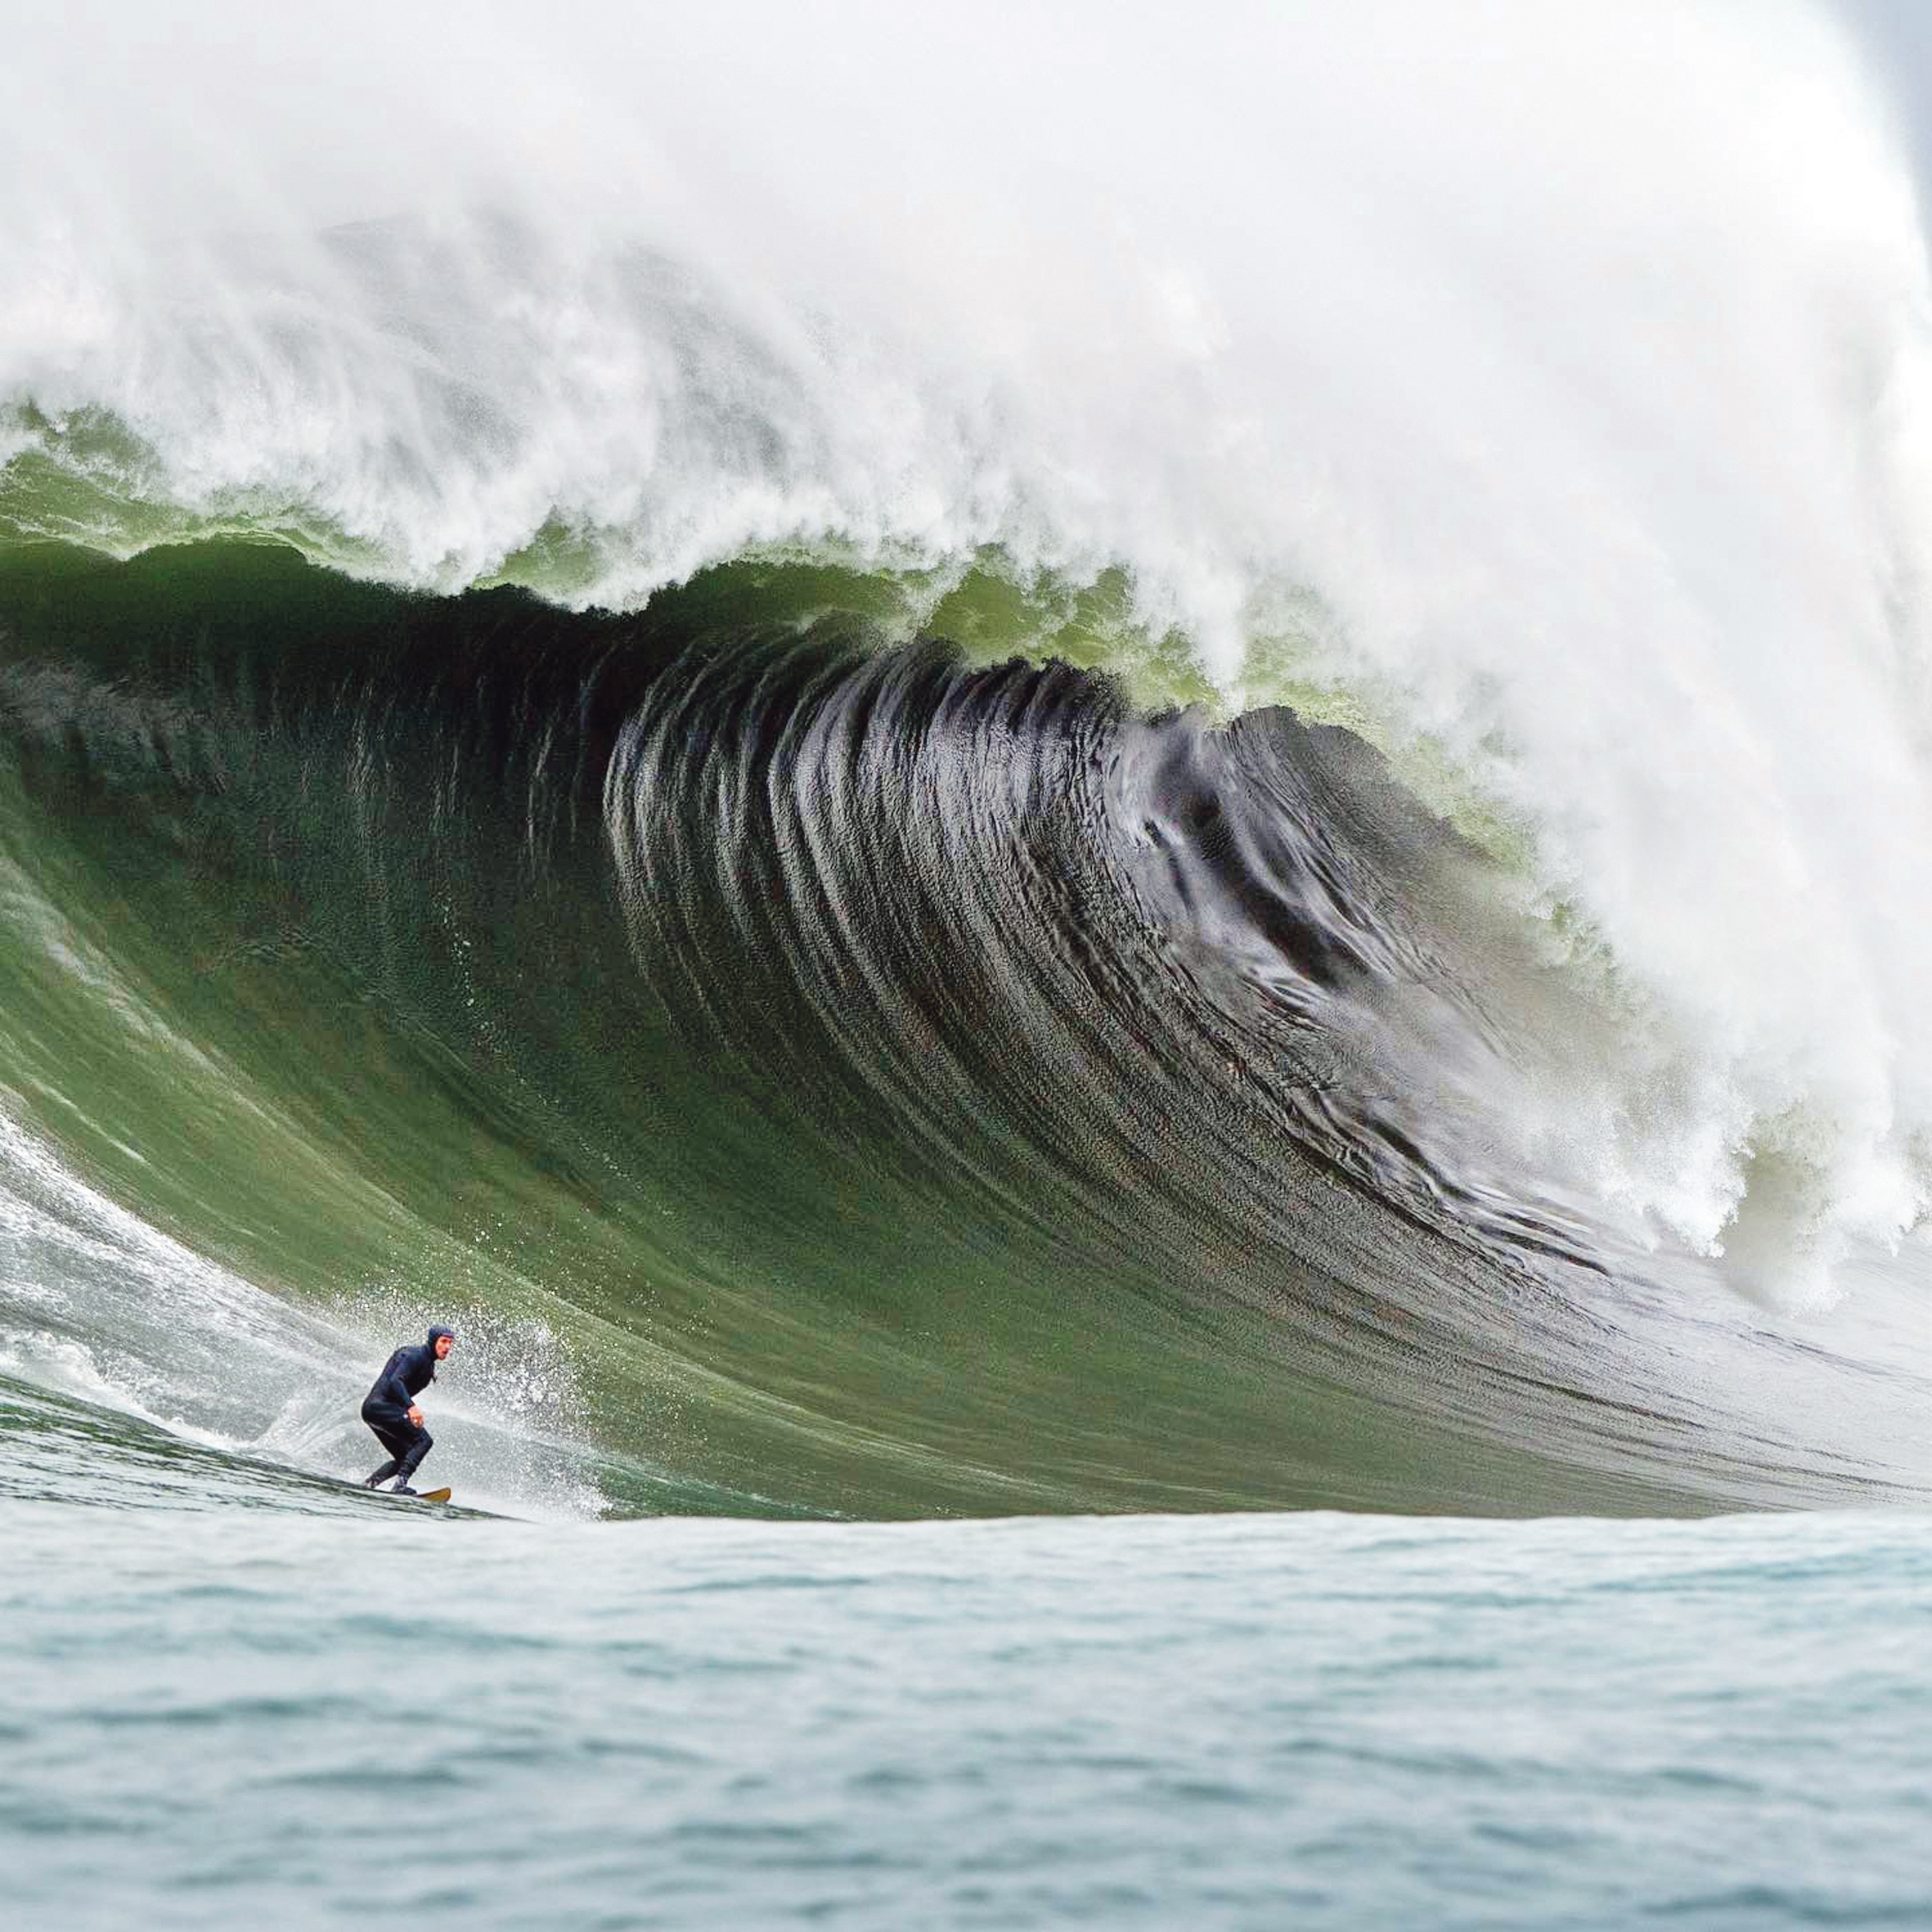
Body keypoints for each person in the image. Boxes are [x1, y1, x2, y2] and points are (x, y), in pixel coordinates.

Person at [361, 1325, 456, 1494]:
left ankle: (370, 1484)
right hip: (380, 1407)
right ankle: (400, 1486)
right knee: (424, 1441)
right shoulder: (415, 1356)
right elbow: (395, 1381)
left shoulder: (427, 1364)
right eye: (444, 1342)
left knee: (405, 1457)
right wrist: (411, 1407)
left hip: (375, 1410)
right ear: (434, 1341)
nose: (447, 1347)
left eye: (450, 1343)